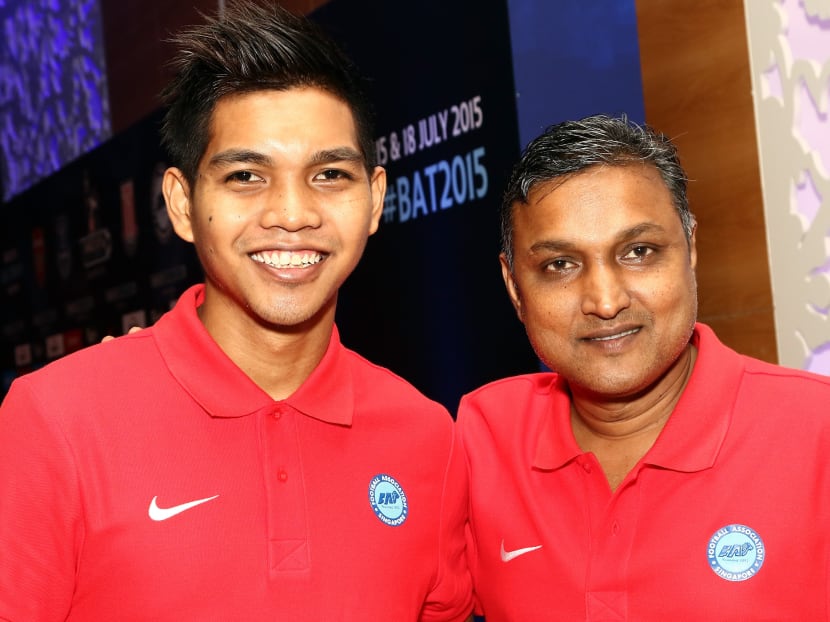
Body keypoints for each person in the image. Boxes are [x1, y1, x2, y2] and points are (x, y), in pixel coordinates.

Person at [0, 3, 473, 620]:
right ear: (180, 204)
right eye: (247, 175)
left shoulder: (428, 437)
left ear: (375, 199)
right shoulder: (56, 419)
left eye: (330, 174)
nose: (292, 213)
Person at [457, 114, 830, 620]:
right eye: (560, 265)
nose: (606, 301)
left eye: (639, 251)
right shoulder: (482, 439)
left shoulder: (815, 432)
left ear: (691, 248)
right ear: (513, 285)